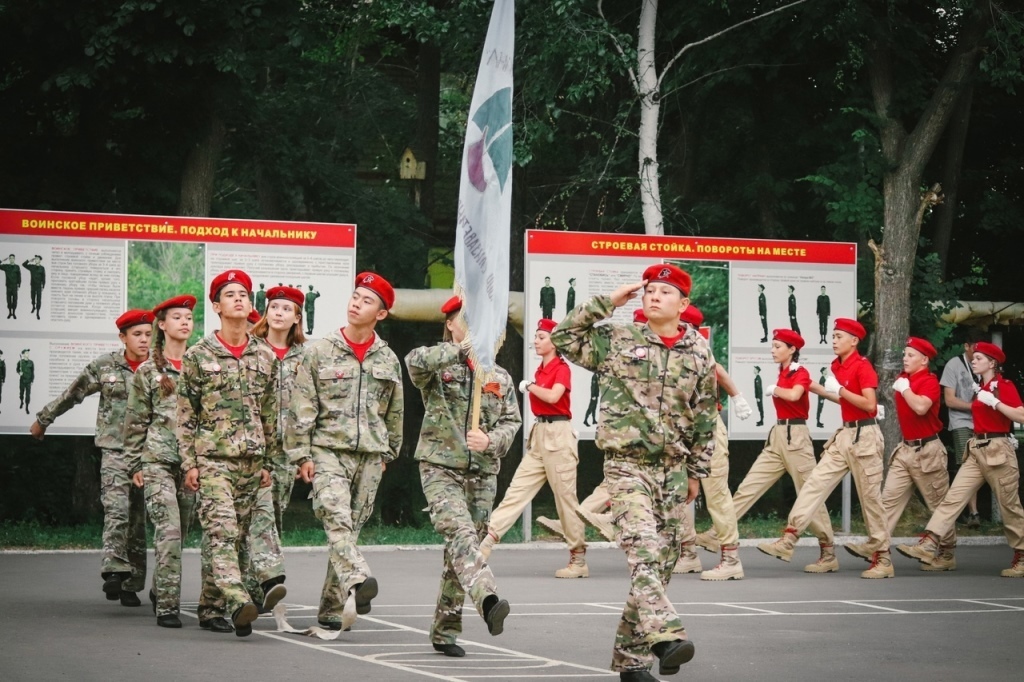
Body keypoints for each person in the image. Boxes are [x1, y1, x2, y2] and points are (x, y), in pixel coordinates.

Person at [552, 264, 716, 681]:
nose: (655, 296)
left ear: (684, 303)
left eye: (665, 291)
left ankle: (631, 661)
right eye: (650, 290)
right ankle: (666, 635)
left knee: (660, 564)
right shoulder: (618, 339)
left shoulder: (699, 351)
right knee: (642, 547)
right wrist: (608, 302)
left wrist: (696, 471)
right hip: (626, 466)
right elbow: (563, 337)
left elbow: (704, 414)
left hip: (673, 470)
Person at [286, 273, 403, 632]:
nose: (356, 304)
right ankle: (358, 578)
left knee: (350, 531)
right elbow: (302, 405)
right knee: (336, 518)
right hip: (327, 450)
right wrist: (302, 455)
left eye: (367, 301)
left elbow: (394, 410)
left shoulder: (387, 358)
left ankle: (332, 608)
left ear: (380, 314)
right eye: (355, 296)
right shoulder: (320, 350)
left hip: (370, 455)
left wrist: (387, 454)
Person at [406, 295, 521, 658]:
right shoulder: (438, 365)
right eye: (465, 320)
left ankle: (445, 629)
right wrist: (459, 351)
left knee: (460, 552)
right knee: (461, 534)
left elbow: (511, 422)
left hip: (483, 473)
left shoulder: (499, 376)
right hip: (440, 467)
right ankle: (487, 597)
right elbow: (413, 363)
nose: (473, 327)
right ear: (451, 325)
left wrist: (490, 441)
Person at [178, 269, 280, 637]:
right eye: (230, 294)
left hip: (252, 461)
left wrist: (268, 462)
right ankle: (238, 600)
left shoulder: (265, 355)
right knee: (221, 531)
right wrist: (189, 463)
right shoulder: (198, 355)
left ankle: (211, 607)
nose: (238, 299)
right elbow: (185, 415)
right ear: (217, 306)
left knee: (234, 537)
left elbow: (270, 413)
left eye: (243, 294)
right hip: (213, 460)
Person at [31, 309, 153, 604]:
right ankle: (114, 572)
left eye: (149, 334)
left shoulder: (159, 368)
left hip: (150, 454)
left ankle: (131, 585)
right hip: (115, 451)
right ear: (123, 337)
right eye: (137, 334)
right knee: (116, 510)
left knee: (138, 520)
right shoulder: (105, 365)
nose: (144, 340)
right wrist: (44, 419)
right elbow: (74, 392)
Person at [758, 318, 893, 579]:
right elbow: (839, 397)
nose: (834, 341)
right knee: (814, 485)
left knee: (870, 499)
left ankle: (884, 558)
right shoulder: (836, 365)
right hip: (844, 435)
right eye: (833, 336)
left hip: (865, 435)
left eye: (839, 336)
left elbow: (869, 405)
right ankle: (789, 538)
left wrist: (841, 390)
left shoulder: (862, 366)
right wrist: (813, 385)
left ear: (854, 341)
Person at [700, 329, 837, 572]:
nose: (772, 350)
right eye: (772, 346)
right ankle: (715, 533)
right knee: (748, 487)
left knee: (809, 494)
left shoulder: (799, 372)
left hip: (796, 438)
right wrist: (850, 401)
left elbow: (795, 395)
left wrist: (775, 390)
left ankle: (828, 552)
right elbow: (822, 391)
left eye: (777, 346)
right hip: (777, 437)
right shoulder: (785, 372)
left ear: (792, 350)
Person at [897, 341, 1024, 578]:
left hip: (998, 450)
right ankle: (929, 543)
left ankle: (1022, 555)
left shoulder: (1003, 386)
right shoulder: (980, 388)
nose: (973, 361)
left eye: (979, 358)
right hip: (976, 449)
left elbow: (1021, 415)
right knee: (952, 499)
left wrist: (995, 402)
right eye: (973, 358)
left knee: (1010, 507)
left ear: (992, 363)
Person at [480, 318, 586, 578]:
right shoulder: (541, 369)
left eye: (541, 337)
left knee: (565, 501)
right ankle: (486, 542)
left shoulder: (561, 368)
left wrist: (529, 386)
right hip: (539, 434)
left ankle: (578, 558)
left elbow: (553, 397)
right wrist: (532, 384)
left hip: (559, 435)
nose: (536, 341)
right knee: (517, 490)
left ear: (555, 342)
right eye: (536, 336)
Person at [123, 295, 200, 628]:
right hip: (157, 461)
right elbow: (135, 421)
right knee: (168, 532)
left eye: (189, 317)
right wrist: (135, 465)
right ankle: (168, 607)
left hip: (191, 465)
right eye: (177, 317)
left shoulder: (201, 365)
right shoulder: (148, 371)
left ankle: (160, 588)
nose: (184, 322)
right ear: (163, 325)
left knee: (181, 534)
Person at [843, 338, 954, 570]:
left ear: (924, 360)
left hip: (928, 450)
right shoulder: (904, 379)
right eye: (904, 354)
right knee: (887, 502)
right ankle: (876, 545)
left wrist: (905, 389)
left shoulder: (929, 381)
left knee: (939, 506)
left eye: (911, 355)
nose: (905, 358)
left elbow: (921, 407)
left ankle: (947, 553)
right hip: (904, 450)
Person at [243, 286, 308, 615]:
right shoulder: (251, 350)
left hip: (286, 452)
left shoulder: (305, 357)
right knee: (259, 514)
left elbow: (311, 405)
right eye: (274, 307)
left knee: (273, 520)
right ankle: (266, 580)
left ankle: (254, 588)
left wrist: (303, 454)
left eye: (286, 308)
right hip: (252, 448)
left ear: (297, 317)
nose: (279, 313)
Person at [676, 305, 750, 581]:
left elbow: (718, 370)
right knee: (680, 492)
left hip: (707, 428)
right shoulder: (671, 350)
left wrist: (737, 398)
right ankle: (688, 554)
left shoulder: (696, 347)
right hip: (683, 429)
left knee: (716, 494)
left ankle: (731, 559)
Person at [940, 327, 986, 528]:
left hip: (984, 423)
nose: (978, 354)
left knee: (985, 465)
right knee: (966, 465)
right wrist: (974, 407)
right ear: (966, 346)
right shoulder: (954, 365)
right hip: (962, 422)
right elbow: (949, 400)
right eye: (975, 349)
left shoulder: (986, 364)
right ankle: (973, 513)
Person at [22, 255, 45, 319]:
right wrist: (29, 260)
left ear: (40, 260)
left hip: (39, 286)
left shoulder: (42, 268)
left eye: (37, 259)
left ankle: (37, 312)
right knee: (33, 298)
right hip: (33, 285)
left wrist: (43, 286)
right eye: (35, 259)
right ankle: (33, 307)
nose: (36, 260)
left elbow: (43, 277)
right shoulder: (32, 267)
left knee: (38, 299)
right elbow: (23, 264)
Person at [1, 253, 20, 319]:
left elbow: (19, 276)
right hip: (8, 286)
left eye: (12, 258)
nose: (11, 259)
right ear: (9, 259)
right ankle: (9, 313)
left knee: (15, 300)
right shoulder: (6, 266)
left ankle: (14, 313)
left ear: (14, 259)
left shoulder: (17, 267)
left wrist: (18, 285)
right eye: (10, 258)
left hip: (14, 286)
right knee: (9, 300)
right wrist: (2, 260)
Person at [17, 349, 33, 413]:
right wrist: (19, 372)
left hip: (28, 382)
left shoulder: (31, 362)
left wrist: (32, 381)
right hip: (22, 381)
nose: (28, 354)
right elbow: (17, 369)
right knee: (21, 393)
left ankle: (27, 407)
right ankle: (21, 402)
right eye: (26, 353)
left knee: (28, 395)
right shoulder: (20, 362)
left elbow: (32, 372)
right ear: (23, 354)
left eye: (28, 353)